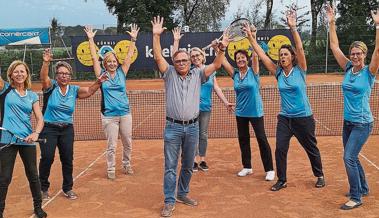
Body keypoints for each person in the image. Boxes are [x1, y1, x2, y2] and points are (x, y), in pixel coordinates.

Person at [151, 16, 229, 217]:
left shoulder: (198, 74)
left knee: (187, 165)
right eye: (178, 61)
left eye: (185, 60)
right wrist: (156, 36)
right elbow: (159, 57)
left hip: (193, 127)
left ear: (189, 62)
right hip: (173, 128)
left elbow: (217, 66)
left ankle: (182, 193)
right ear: (174, 63)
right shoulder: (168, 73)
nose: (182, 63)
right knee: (170, 167)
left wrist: (221, 50)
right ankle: (169, 200)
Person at [247, 10, 325, 191]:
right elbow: (262, 55)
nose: (282, 57)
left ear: (292, 57)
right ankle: (282, 180)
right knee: (280, 149)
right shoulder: (278, 72)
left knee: (311, 148)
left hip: (303, 118)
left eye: (285, 54)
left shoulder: (301, 69)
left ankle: (319, 175)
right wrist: (251, 38)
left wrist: (293, 27)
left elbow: (299, 47)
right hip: (284, 119)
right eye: (280, 55)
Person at [326, 5, 379, 210]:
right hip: (348, 123)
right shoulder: (348, 67)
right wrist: (331, 22)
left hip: (362, 123)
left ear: (364, 55)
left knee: (348, 157)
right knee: (353, 157)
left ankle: (356, 196)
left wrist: (377, 25)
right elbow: (334, 46)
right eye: (353, 53)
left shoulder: (369, 72)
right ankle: (363, 187)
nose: (355, 56)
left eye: (359, 54)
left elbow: (378, 51)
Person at [38, 49, 108, 200]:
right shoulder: (50, 87)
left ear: (70, 76)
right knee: (47, 157)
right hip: (48, 128)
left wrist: (99, 81)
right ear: (56, 76)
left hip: (67, 129)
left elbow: (89, 91)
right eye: (61, 73)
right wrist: (46, 62)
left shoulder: (74, 90)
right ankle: (43, 188)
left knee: (67, 159)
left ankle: (67, 188)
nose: (64, 76)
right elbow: (43, 78)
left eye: (67, 73)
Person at [171, 27, 234, 172]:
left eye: (197, 55)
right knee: (192, 135)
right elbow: (175, 59)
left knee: (203, 134)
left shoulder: (210, 70)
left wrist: (225, 102)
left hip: (206, 107)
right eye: (192, 56)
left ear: (202, 56)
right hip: (191, 108)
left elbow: (216, 88)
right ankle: (192, 160)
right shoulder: (190, 71)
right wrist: (176, 41)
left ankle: (202, 160)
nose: (195, 58)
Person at [220, 25, 275, 180]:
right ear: (236, 61)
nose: (240, 60)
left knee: (261, 139)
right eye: (238, 58)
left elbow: (256, 54)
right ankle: (247, 167)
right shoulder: (235, 74)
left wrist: (253, 36)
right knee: (243, 140)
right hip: (241, 113)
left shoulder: (254, 71)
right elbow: (222, 60)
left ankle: (269, 169)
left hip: (256, 112)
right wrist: (220, 48)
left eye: (243, 57)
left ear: (247, 59)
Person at [85, 24, 139, 180]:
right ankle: (111, 169)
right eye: (109, 61)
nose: (112, 63)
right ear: (105, 64)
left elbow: (129, 56)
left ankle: (127, 164)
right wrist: (91, 39)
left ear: (117, 62)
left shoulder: (122, 72)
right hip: (109, 116)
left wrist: (133, 39)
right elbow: (95, 58)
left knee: (128, 142)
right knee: (112, 146)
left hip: (125, 113)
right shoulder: (101, 75)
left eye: (114, 61)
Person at [0, 61, 47, 218]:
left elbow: (40, 119)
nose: (19, 74)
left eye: (22, 71)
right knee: (4, 178)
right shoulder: (5, 89)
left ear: (27, 74)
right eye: (16, 71)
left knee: (33, 175)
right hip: (7, 140)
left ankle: (38, 207)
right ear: (11, 74)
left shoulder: (32, 95)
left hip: (27, 140)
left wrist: (36, 134)